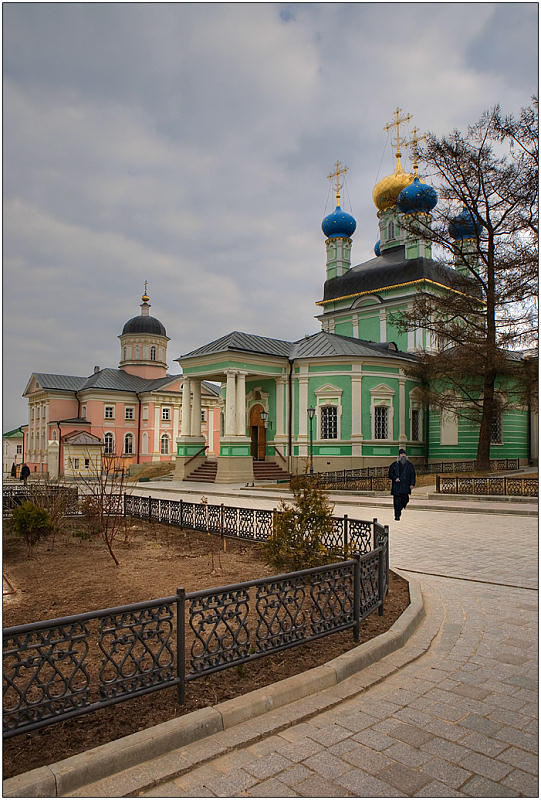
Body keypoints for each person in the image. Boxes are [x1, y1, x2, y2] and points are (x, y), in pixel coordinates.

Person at [388, 448, 416, 521]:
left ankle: (399, 509)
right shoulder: (394, 465)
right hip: (397, 487)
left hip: (406, 487)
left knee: (405, 500)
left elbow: (413, 475)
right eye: (401, 454)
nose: (403, 456)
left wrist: (412, 484)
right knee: (396, 502)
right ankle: (397, 516)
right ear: (399, 455)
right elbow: (390, 474)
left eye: (404, 454)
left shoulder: (410, 465)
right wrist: (395, 478)